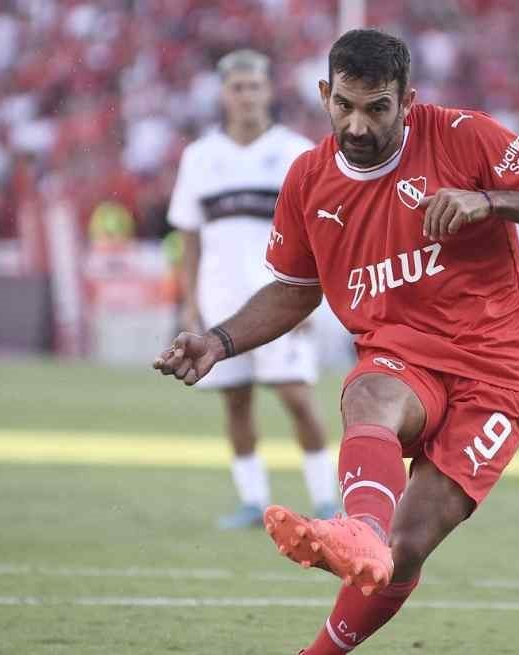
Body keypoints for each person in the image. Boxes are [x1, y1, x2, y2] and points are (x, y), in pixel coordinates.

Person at [154, 29, 519, 653]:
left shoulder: (463, 135)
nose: (357, 125)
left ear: (407, 101)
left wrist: (488, 201)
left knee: (407, 545)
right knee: (369, 396)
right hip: (401, 355)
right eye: (344, 106)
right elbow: (294, 290)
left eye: (377, 108)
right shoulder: (309, 179)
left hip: (496, 371)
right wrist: (219, 341)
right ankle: (359, 527)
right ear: (324, 94)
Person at [166, 49, 337, 529]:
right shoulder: (200, 157)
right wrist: (191, 303)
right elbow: (190, 236)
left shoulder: (296, 152)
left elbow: (321, 231)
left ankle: (326, 500)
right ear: (224, 94)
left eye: (254, 87)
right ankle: (252, 500)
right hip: (220, 299)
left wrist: (309, 297)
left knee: (297, 398)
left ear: (268, 91)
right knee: (236, 400)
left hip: (280, 299)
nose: (245, 96)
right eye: (237, 88)